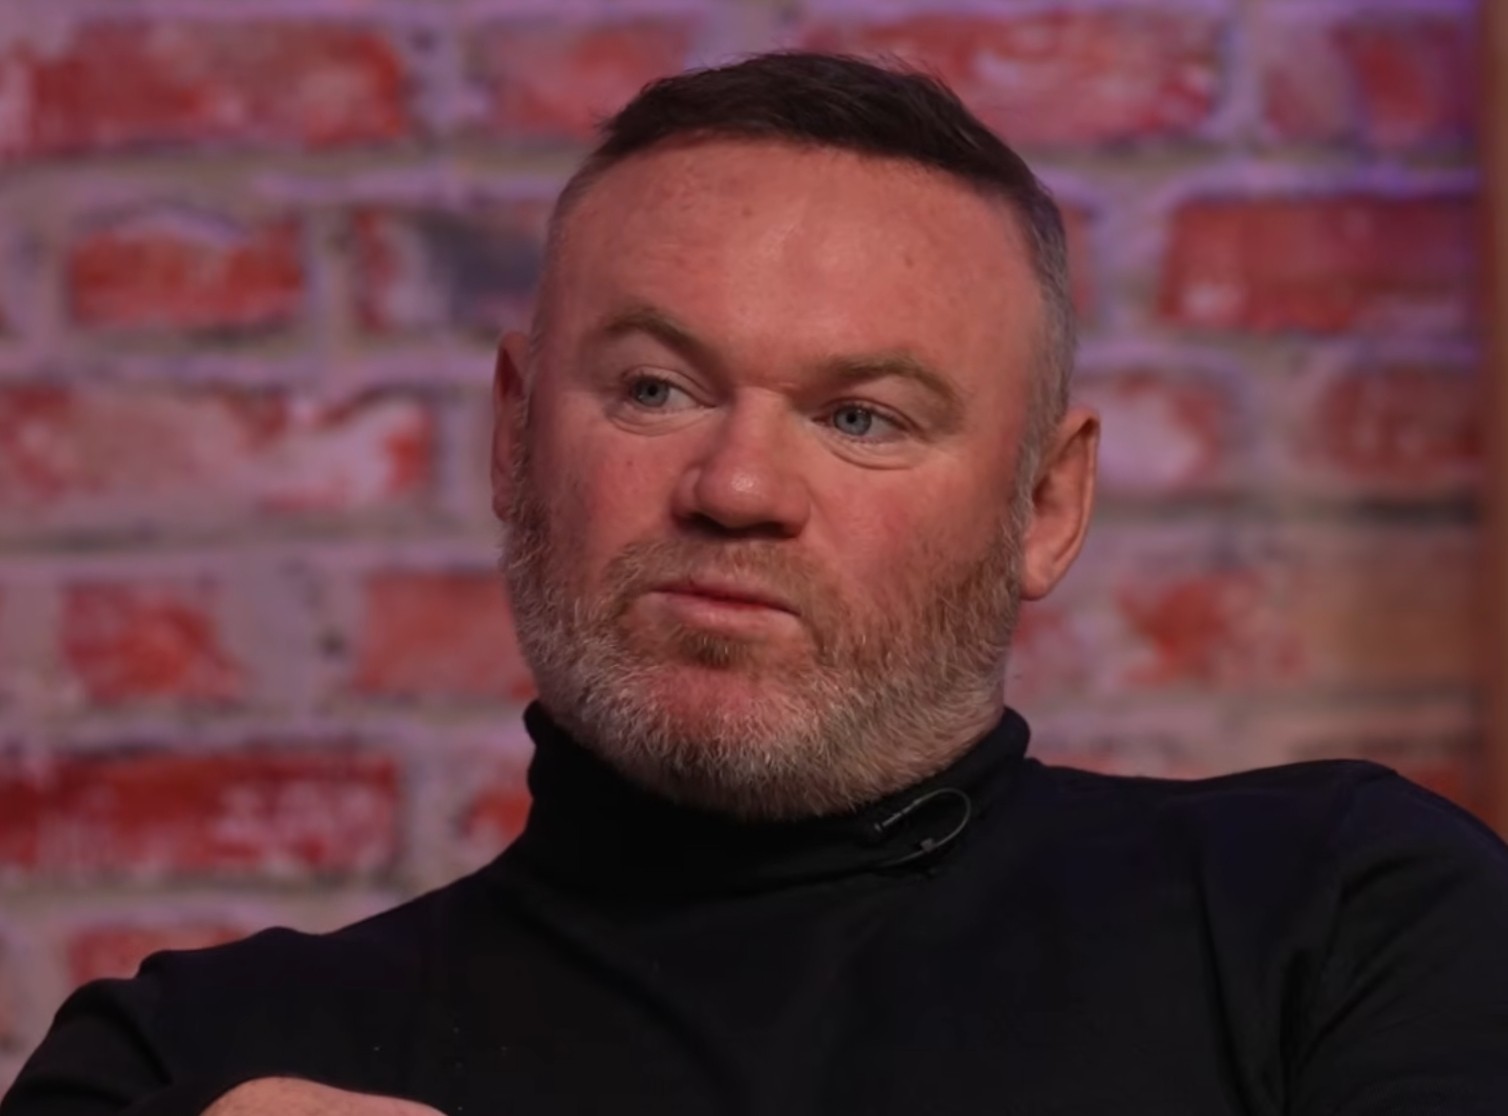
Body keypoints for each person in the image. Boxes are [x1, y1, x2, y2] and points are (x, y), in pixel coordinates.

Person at [5, 50, 1508, 1116]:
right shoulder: (185, 1066)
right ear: (514, 439)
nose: (735, 489)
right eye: (655, 389)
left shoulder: (1343, 922)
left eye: (862, 417)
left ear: (1045, 508)